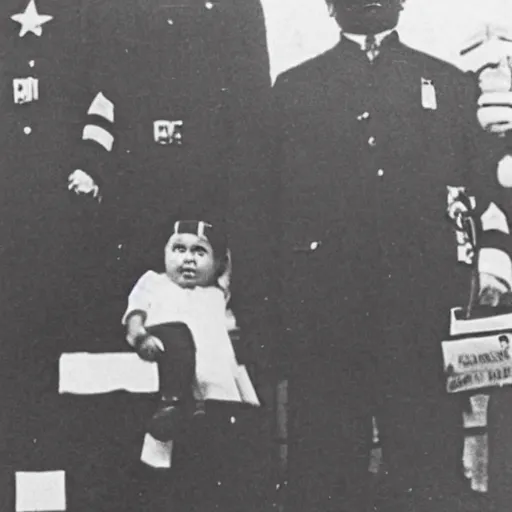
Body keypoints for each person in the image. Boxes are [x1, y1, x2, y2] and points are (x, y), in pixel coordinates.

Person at [266, 1, 512, 511]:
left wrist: (492, 260)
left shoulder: (448, 84)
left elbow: (486, 188)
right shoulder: (294, 89)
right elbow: (268, 205)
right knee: (325, 473)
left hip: (419, 313)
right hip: (326, 317)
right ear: (328, 5)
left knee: (427, 469)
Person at [122, 219, 257, 443]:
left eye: (199, 252)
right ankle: (170, 408)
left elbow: (227, 269)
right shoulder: (154, 282)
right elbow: (134, 315)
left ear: (216, 263)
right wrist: (140, 338)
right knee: (163, 447)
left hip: (212, 385)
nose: (188, 259)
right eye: (179, 249)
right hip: (165, 379)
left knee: (209, 443)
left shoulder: (215, 293)